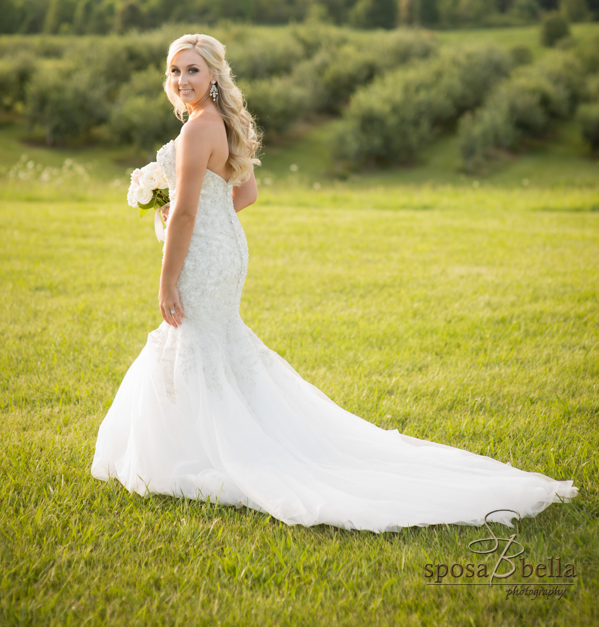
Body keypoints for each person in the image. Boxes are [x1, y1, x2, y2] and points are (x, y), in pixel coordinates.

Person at [92, 33, 577, 531]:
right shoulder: (221, 123)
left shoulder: (197, 131)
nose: (182, 80)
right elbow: (245, 194)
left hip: (203, 257)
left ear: (214, 74)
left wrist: (167, 277)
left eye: (193, 70)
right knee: (209, 343)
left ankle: (210, 451)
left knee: (193, 339)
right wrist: (196, 215)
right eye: (175, 71)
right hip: (226, 250)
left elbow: (191, 210)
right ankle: (212, 440)